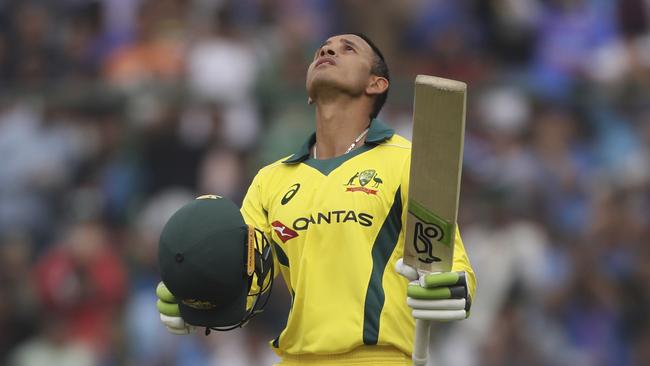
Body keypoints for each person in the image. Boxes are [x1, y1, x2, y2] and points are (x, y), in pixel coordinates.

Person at [157, 33, 476, 365]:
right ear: (309, 92)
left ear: (376, 84)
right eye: (322, 49)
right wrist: (195, 291)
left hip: (378, 357)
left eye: (348, 48)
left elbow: (449, 262)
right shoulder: (272, 180)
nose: (327, 50)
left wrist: (457, 288)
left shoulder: (407, 160)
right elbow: (245, 277)